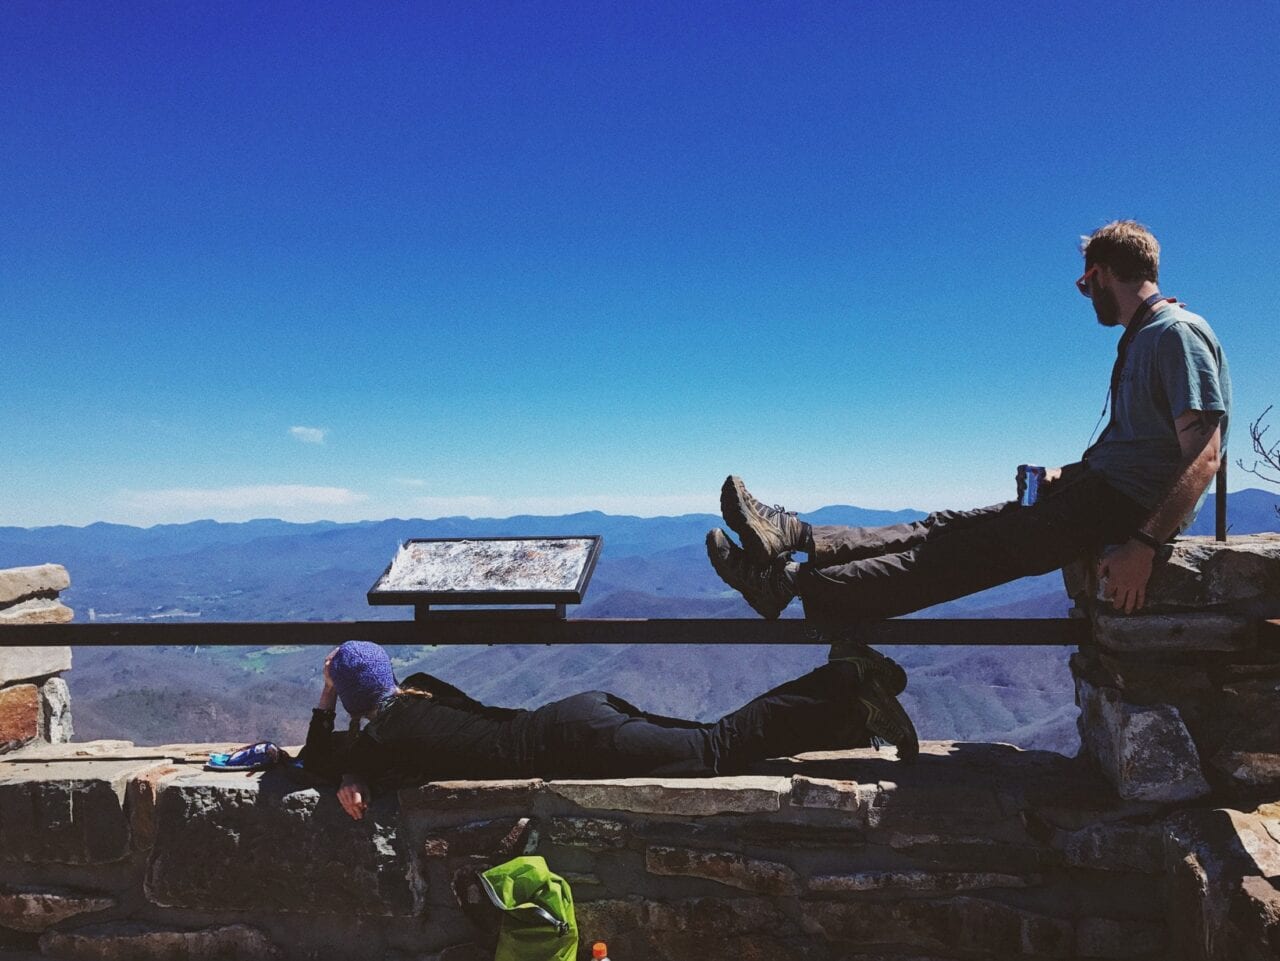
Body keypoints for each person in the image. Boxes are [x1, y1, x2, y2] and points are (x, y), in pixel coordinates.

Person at [707, 221, 1231, 626]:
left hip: (1117, 510)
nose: (1084, 295)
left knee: (951, 555)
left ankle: (789, 584)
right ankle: (791, 535)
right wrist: (1062, 476)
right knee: (944, 528)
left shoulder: (1175, 333)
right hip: (1094, 494)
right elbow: (1143, 446)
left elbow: (1205, 453)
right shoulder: (1148, 336)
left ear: (1100, 273)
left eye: (1082, 283)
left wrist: (1141, 545)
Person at [304, 640, 918, 820]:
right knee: (720, 745)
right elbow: (371, 749)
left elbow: (314, 763)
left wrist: (329, 697)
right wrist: (359, 764)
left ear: (353, 698)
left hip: (578, 744)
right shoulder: (421, 688)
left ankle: (845, 677)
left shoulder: (382, 739)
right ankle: (856, 708)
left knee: (719, 747)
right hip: (576, 716)